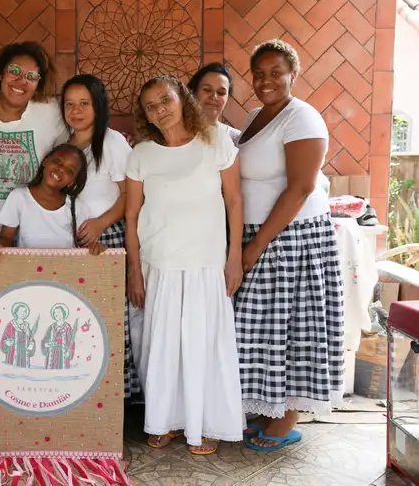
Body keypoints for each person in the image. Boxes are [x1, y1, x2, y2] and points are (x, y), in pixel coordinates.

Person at [234, 39, 344, 452]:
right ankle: (269, 411)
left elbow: (299, 188)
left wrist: (256, 245)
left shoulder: (303, 118)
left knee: (294, 328)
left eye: (276, 72)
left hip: (291, 237)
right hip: (260, 235)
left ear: (293, 75)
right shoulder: (253, 116)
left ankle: (286, 421)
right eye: (259, 73)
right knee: (264, 331)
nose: (266, 81)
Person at [126, 75, 244, 455]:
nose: (160, 109)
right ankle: (164, 420)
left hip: (205, 264)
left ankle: (206, 423)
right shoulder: (141, 154)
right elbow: (131, 217)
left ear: (183, 99)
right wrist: (134, 271)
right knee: (161, 348)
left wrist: (234, 258)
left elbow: (235, 203)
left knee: (203, 347)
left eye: (165, 99)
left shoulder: (216, 142)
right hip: (158, 264)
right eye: (151, 106)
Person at [60, 74, 140, 396]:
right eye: (69, 104)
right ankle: (82, 393)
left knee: (108, 322)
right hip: (75, 244)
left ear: (98, 106)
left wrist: (101, 224)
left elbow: (130, 197)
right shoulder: (65, 143)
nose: (76, 111)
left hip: (106, 242)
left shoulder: (111, 142)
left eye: (84, 104)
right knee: (81, 323)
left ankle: (112, 397)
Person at [0, 42, 68, 247]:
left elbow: (67, 157)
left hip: (31, 237)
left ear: (39, 83)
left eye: (31, 77)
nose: (21, 80)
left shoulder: (49, 112)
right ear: (1, 73)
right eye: (14, 71)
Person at [0, 143, 105, 258]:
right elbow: (6, 239)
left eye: (70, 170)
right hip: (28, 276)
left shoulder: (77, 207)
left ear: (71, 182)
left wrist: (94, 248)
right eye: (58, 161)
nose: (61, 168)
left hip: (65, 276)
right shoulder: (19, 198)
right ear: (45, 161)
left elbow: (84, 247)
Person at [187, 62, 241, 144]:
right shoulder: (177, 133)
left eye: (221, 92)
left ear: (228, 98)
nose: (214, 96)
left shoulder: (235, 139)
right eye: (207, 90)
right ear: (194, 92)